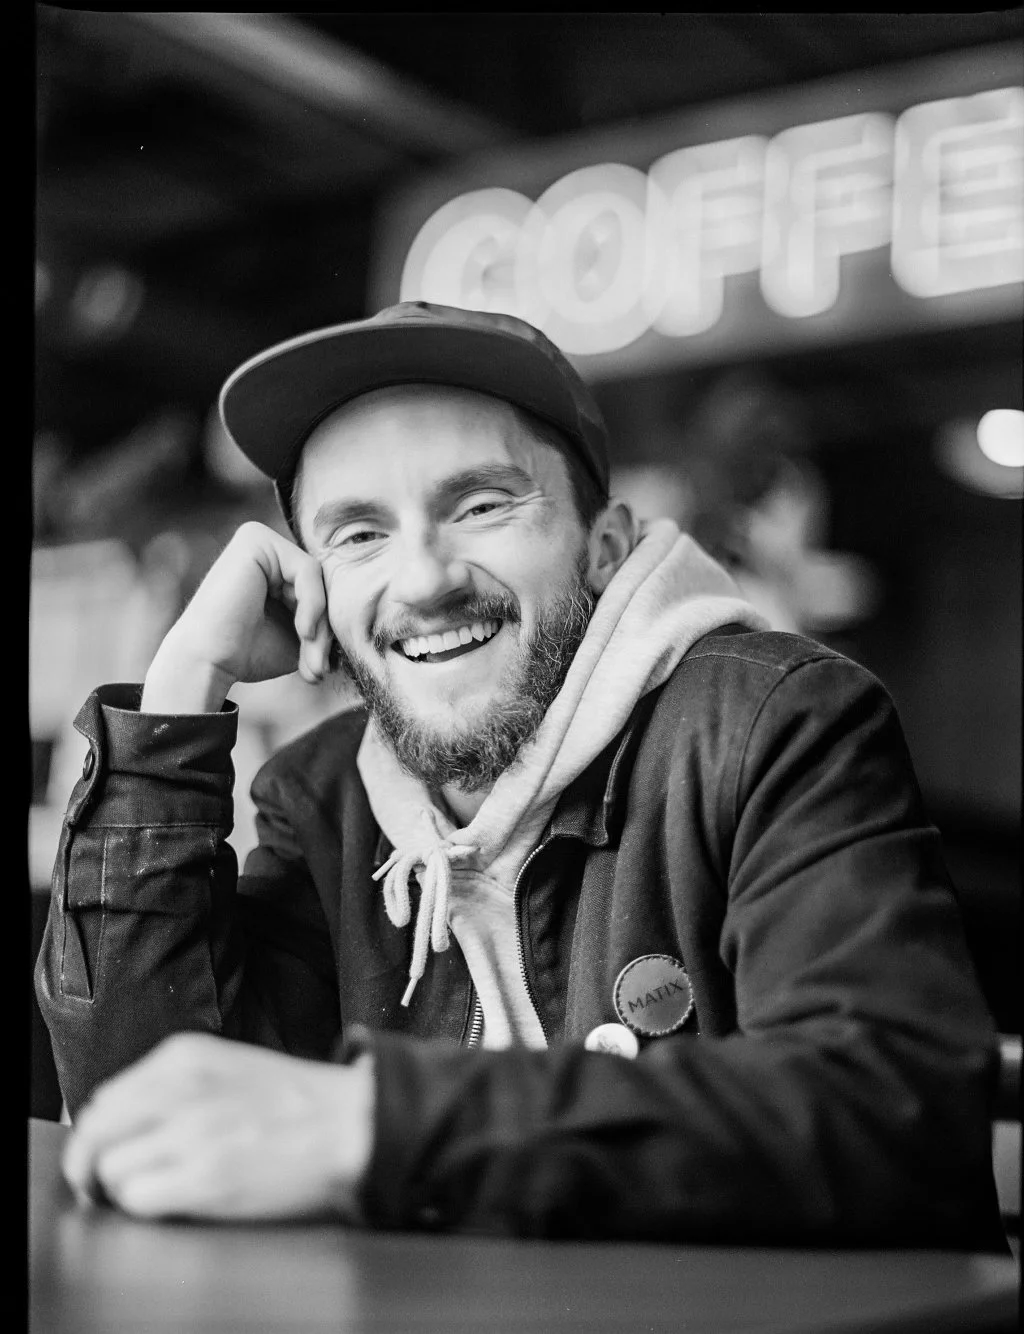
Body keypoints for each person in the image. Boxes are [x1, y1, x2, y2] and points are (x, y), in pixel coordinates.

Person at [35, 302, 1006, 1248]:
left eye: (484, 503)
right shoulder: (322, 795)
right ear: (315, 588)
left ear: (606, 547)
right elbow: (134, 1112)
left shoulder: (773, 720)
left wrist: (377, 1125)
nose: (422, 579)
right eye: (359, 533)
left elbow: (892, 1113)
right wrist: (176, 697)